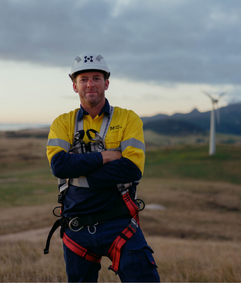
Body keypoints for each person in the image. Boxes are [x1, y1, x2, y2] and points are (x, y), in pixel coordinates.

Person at [45, 52, 160, 282]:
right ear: (74, 85)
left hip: (119, 224)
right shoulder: (62, 123)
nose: (90, 84)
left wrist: (79, 170)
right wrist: (106, 156)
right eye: (84, 78)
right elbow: (59, 165)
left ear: (106, 83)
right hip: (77, 228)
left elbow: (132, 169)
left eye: (96, 78)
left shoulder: (128, 119)